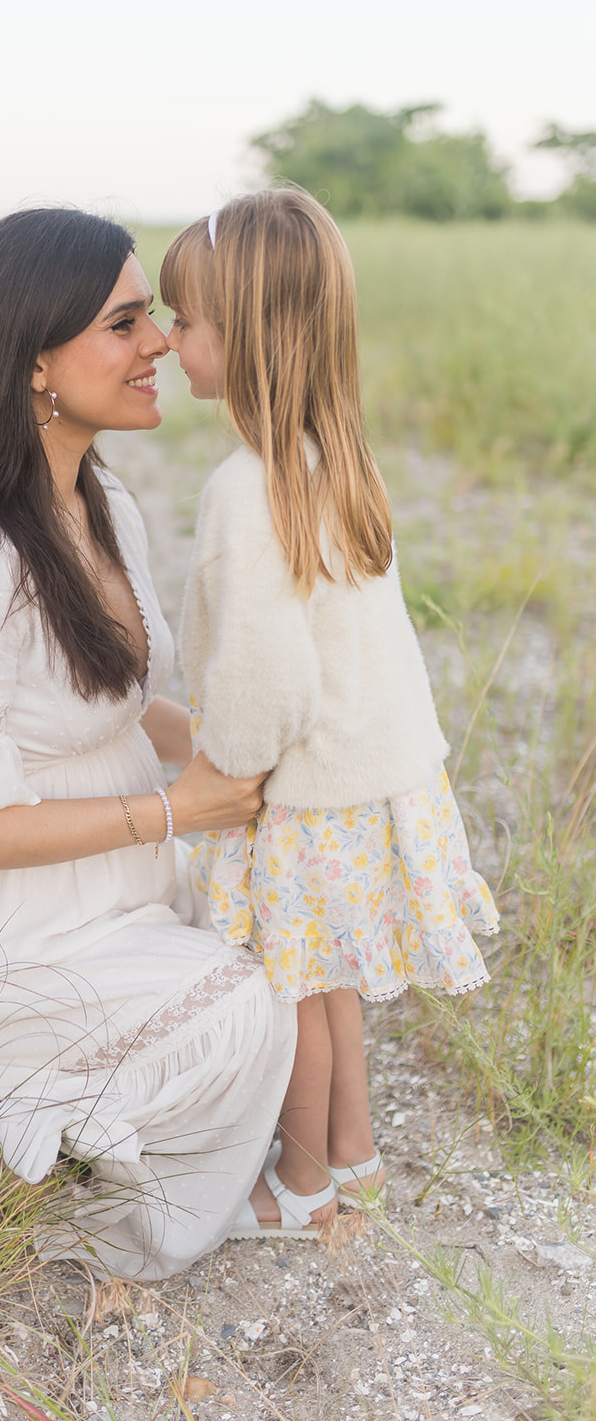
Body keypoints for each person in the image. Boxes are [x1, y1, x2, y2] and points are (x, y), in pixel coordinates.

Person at [0, 207, 297, 1281]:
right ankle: (57, 1235)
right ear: (36, 360)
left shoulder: (102, 501)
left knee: (296, 934)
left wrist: (243, 754)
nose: (162, 342)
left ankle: (72, 1124)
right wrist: (177, 810)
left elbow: (118, 704)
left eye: (151, 319)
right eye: (123, 323)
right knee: (238, 1013)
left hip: (101, 889)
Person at [162, 188, 499, 1236]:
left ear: (243, 334)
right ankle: (350, 1155)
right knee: (329, 986)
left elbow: (267, 675)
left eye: (183, 320)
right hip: (376, 777)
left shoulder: (243, 485)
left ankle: (297, 1181)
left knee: (289, 996)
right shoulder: (329, 456)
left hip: (304, 796)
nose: (169, 341)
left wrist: (222, 767)